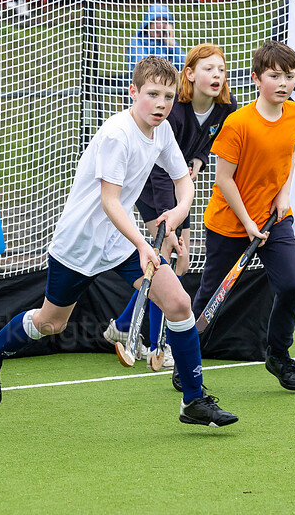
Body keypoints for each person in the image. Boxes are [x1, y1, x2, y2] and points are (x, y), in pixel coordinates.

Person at [0, 55, 238, 427]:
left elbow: (183, 181)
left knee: (178, 303)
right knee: (52, 324)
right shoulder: (117, 135)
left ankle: (193, 401)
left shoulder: (162, 131)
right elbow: (110, 201)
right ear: (133, 92)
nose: (161, 104)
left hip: (120, 240)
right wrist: (146, 244)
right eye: (152, 94)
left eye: (169, 96)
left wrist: (175, 218)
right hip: (80, 242)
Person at [104, 43, 238, 370]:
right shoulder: (174, 109)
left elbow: (208, 143)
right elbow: (160, 169)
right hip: (153, 187)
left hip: (180, 187)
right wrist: (170, 222)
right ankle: (157, 346)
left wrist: (198, 159)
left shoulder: (226, 107)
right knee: (165, 260)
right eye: (208, 69)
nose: (216, 75)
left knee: (179, 264)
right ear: (190, 74)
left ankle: (122, 327)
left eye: (221, 69)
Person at [191, 40, 295, 392]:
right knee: (213, 296)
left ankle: (278, 353)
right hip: (230, 223)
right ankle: (188, 360)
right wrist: (247, 224)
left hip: (275, 219)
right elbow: (223, 180)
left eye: (289, 76)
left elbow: (285, 160)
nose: (284, 83)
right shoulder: (238, 123)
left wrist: (283, 197)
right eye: (275, 76)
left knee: (292, 284)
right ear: (257, 79)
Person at [126, 3, 186, 78]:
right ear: (148, 22)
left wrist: (172, 45)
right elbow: (143, 68)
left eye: (163, 21)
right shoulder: (136, 41)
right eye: (156, 20)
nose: (159, 25)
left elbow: (184, 65)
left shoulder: (167, 42)